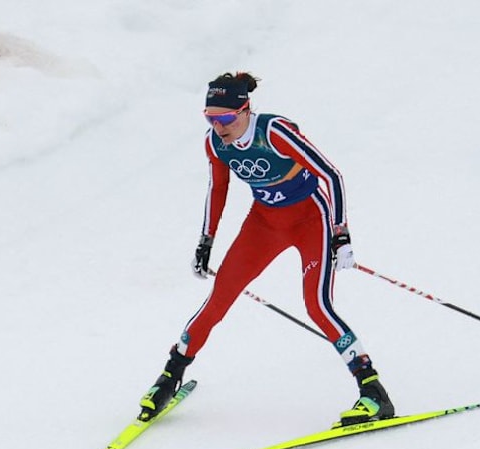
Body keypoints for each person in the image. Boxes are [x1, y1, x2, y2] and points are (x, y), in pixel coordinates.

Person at [138, 72, 394, 426]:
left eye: (225, 118)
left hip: (310, 219)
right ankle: (169, 377)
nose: (218, 126)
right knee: (219, 298)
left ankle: (373, 392)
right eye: (210, 118)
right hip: (264, 223)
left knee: (317, 306)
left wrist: (341, 233)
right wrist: (206, 240)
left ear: (245, 110)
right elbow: (218, 189)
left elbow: (331, 175)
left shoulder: (274, 132)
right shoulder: (215, 144)